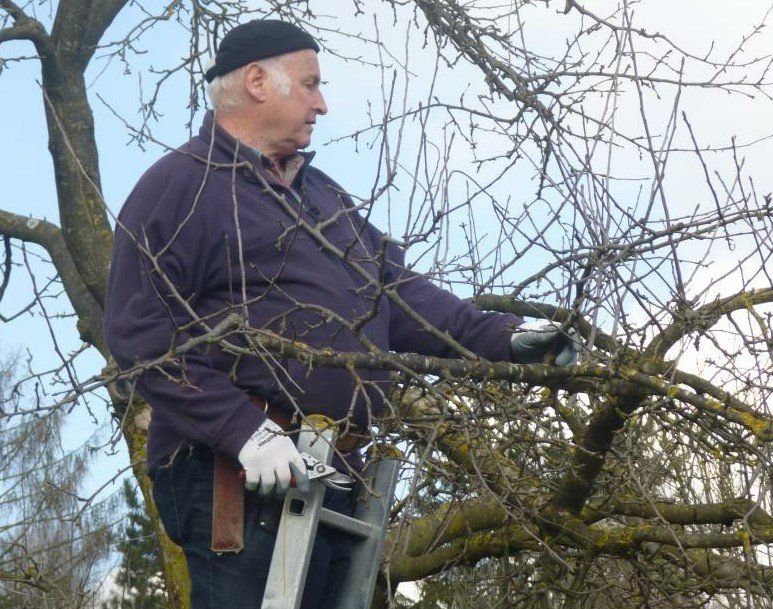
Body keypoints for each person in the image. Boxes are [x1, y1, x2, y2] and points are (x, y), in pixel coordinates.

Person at [103, 18, 580, 609]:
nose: (322, 104)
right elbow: (141, 334)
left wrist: (506, 338)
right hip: (240, 473)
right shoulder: (181, 186)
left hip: (333, 472)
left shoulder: (324, 197)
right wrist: (242, 431)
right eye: (310, 84)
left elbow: (397, 294)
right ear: (257, 81)